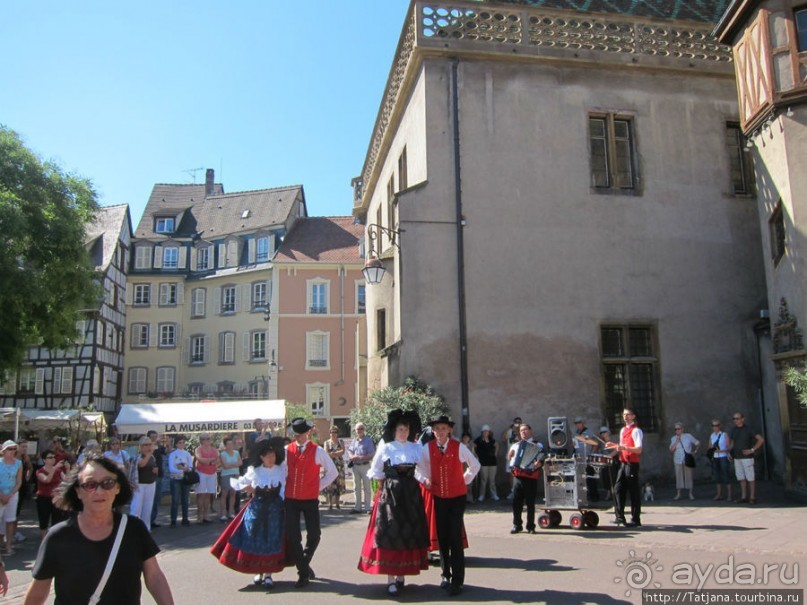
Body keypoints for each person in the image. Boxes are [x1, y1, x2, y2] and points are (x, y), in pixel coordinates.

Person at [22, 453, 174, 605]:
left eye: (107, 483)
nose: (99, 491)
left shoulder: (134, 529)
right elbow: (37, 594)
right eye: (90, 485)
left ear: (117, 488)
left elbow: (154, 577)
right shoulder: (59, 536)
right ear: (78, 491)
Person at [358, 410, 429, 596]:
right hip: (391, 496)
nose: (403, 433)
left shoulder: (416, 448)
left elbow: (423, 470)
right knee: (390, 532)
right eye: (400, 429)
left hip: (411, 496)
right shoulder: (387, 447)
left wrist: (423, 480)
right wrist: (387, 485)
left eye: (406, 429)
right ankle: (390, 578)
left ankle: (401, 575)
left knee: (408, 532)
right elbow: (376, 471)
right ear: (394, 430)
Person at [211, 437, 288, 589]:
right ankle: (258, 571)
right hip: (257, 509)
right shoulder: (255, 471)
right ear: (261, 457)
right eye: (267, 456)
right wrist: (250, 489)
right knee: (255, 539)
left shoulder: (281, 470)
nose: (271, 458)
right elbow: (240, 483)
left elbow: (284, 489)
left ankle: (268, 574)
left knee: (271, 540)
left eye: (272, 455)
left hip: (274, 511)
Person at [420, 416, 480, 597]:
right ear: (433, 431)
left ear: (449, 431)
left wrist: (464, 480)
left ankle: (458, 581)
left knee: (454, 536)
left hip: (456, 498)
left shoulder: (458, 447)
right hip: (438, 496)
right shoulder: (427, 448)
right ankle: (446, 574)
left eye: (443, 428)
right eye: (437, 428)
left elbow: (475, 465)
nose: (440, 432)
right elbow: (419, 468)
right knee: (443, 536)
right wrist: (425, 479)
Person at [283, 417, 338, 589]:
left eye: (302, 433)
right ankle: (303, 573)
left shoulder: (318, 450)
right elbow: (280, 472)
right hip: (291, 499)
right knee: (293, 537)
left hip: (310, 499)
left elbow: (333, 472)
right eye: (297, 434)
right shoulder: (286, 450)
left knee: (314, 535)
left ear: (308, 433)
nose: (299, 437)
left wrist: (317, 487)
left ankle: (303, 564)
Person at [506, 424, 544, 535]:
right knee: (516, 502)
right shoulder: (515, 445)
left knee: (530, 503)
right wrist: (510, 456)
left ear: (530, 431)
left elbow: (542, 459)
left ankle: (531, 526)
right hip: (518, 477)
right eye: (521, 430)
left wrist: (539, 463)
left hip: (530, 477)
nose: (523, 432)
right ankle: (517, 525)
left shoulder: (537, 445)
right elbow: (511, 461)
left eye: (525, 430)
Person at [610, 408, 643, 527]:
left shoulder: (636, 431)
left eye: (628, 415)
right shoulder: (623, 430)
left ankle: (635, 519)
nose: (625, 417)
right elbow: (621, 446)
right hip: (623, 463)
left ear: (633, 416)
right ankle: (620, 517)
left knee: (633, 491)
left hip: (632, 464)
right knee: (618, 489)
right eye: (624, 414)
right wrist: (613, 448)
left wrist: (625, 448)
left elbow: (639, 450)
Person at [728, 412, 764, 505]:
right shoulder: (733, 430)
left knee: (750, 477)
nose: (736, 420)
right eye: (734, 419)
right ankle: (744, 496)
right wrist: (729, 453)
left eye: (737, 418)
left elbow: (761, 439)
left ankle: (752, 497)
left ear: (742, 419)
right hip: (737, 457)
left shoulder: (749, 429)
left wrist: (752, 450)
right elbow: (731, 443)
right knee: (741, 478)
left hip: (747, 458)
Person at [34, 450, 68, 540]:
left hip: (56, 499)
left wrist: (68, 469)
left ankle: (54, 542)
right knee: (43, 522)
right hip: (43, 499)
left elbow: (67, 481)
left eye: (54, 457)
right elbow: (46, 480)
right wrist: (54, 468)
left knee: (56, 522)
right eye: (50, 457)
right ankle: (44, 542)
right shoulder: (39, 471)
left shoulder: (58, 470)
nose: (53, 459)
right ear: (44, 460)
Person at [129, 436, 158, 530]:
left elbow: (152, 466)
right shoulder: (138, 456)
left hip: (150, 483)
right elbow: (141, 464)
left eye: (150, 444)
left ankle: (146, 528)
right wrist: (149, 453)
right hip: (139, 485)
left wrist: (155, 470)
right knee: (136, 507)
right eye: (146, 445)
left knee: (148, 507)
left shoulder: (152, 457)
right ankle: (133, 528)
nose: (149, 447)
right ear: (141, 446)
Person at [0, 440, 22, 555]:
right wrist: (2, 495)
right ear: (4, 451)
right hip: (0, 494)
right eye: (10, 449)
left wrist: (10, 495)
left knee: (10, 520)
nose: (12, 451)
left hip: (12, 494)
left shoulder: (18, 463)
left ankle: (8, 545)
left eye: (14, 449)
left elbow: (18, 481)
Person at [347, 423, 375, 514]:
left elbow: (371, 454)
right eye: (357, 429)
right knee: (356, 487)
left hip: (365, 466)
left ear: (364, 429)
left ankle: (367, 508)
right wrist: (352, 456)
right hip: (355, 466)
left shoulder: (368, 441)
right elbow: (350, 451)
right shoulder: (354, 441)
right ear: (355, 430)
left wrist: (360, 457)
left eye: (361, 429)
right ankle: (357, 507)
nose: (359, 430)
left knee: (367, 487)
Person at [669, 422, 700, 500]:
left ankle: (690, 493)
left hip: (687, 459)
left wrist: (695, 451)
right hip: (678, 459)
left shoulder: (688, 436)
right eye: (675, 429)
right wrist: (677, 441)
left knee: (688, 476)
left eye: (678, 429)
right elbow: (671, 449)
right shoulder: (673, 438)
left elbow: (697, 443)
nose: (677, 430)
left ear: (682, 429)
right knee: (679, 476)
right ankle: (678, 493)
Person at [167, 435, 193, 527]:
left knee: (185, 499)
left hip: (185, 479)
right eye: (180, 443)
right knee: (175, 500)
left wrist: (187, 469)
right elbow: (171, 468)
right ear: (176, 444)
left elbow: (190, 466)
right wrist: (181, 470)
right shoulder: (173, 454)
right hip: (175, 479)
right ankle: (173, 519)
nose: (182, 444)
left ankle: (185, 518)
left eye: (183, 442)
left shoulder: (187, 454)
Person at [573, 416, 600, 501]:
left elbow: (596, 444)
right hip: (579, 459)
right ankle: (584, 495)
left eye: (579, 423)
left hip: (588, 458)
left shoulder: (589, 432)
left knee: (590, 478)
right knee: (581, 478)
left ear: (583, 423)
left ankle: (594, 496)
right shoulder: (576, 433)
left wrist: (591, 455)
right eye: (576, 423)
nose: (577, 425)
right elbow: (575, 444)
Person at [194, 434, 218, 524]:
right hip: (201, 473)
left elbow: (217, 460)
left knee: (208, 494)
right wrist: (211, 460)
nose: (208, 440)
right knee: (201, 494)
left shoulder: (213, 449)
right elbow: (200, 459)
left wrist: (209, 461)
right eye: (206, 439)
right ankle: (199, 516)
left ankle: (205, 515)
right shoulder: (198, 449)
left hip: (211, 473)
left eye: (209, 439)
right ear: (202, 440)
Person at [321, 427, 346, 510]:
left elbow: (342, 451)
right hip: (330, 465)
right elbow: (326, 452)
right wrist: (335, 453)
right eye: (332, 432)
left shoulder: (340, 441)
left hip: (339, 465)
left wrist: (333, 453)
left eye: (335, 432)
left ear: (337, 433)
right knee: (330, 484)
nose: (333, 433)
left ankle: (338, 503)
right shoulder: (326, 442)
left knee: (339, 484)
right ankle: (331, 504)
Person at [218, 436, 242, 521]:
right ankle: (223, 513)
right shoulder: (222, 454)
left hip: (235, 474)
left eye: (231, 443)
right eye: (228, 444)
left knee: (233, 493)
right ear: (225, 445)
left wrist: (231, 464)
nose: (230, 445)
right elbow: (225, 466)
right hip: (226, 475)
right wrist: (234, 464)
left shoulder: (236, 452)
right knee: (224, 494)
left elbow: (240, 462)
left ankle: (231, 512)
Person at [474, 424, 499, 502]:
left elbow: (497, 445)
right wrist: (476, 455)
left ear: (489, 432)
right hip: (482, 462)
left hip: (492, 462)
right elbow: (473, 447)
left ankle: (494, 494)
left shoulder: (492, 440)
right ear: (482, 432)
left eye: (487, 431)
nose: (485, 432)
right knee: (483, 480)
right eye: (484, 431)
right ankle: (482, 495)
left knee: (492, 480)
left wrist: (495, 454)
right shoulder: (478, 440)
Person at [708, 419, 732, 501]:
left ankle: (729, 495)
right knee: (717, 476)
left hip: (723, 456)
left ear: (720, 426)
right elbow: (709, 446)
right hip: (715, 457)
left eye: (717, 425)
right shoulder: (712, 435)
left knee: (725, 475)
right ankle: (719, 494)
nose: (715, 427)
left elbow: (729, 447)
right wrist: (712, 449)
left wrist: (721, 451)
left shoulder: (724, 435)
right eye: (713, 425)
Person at [148, 431, 167, 528]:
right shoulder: (147, 448)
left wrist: (168, 443)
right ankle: (147, 519)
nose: (154, 438)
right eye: (152, 437)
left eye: (156, 436)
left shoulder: (159, 447)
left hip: (159, 474)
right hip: (149, 476)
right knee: (149, 498)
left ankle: (153, 519)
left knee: (157, 499)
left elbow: (167, 451)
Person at [502, 417, 522, 499]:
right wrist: (509, 428)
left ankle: (519, 492)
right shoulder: (509, 431)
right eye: (516, 422)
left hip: (519, 456)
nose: (517, 423)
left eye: (519, 422)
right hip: (510, 456)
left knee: (520, 474)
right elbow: (503, 438)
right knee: (511, 474)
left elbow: (524, 440)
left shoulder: (522, 431)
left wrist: (518, 430)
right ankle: (512, 491)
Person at [598, 426, 618, 500]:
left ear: (608, 432)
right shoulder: (601, 442)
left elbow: (616, 450)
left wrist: (609, 456)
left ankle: (614, 494)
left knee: (613, 477)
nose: (603, 434)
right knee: (605, 478)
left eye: (604, 432)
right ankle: (609, 494)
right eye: (601, 433)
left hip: (613, 461)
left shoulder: (612, 440)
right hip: (605, 461)